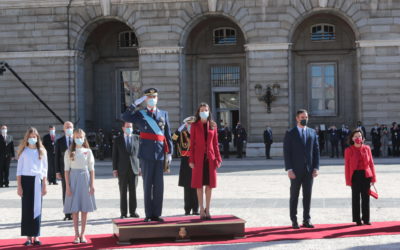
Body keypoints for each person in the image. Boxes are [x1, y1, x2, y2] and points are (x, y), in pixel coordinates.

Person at [122, 87, 173, 222]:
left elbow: (167, 134)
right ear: (145, 100)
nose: (152, 99)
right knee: (147, 185)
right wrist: (134, 104)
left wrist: (170, 153)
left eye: (154, 97)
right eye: (149, 98)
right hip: (146, 154)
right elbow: (125, 116)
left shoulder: (164, 114)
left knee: (159, 186)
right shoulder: (140, 114)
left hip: (160, 154)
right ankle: (149, 214)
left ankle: (157, 213)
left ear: (157, 98)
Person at [283, 109, 319, 229]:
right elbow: (287, 153)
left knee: (307, 195)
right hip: (295, 171)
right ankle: (294, 220)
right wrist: (289, 169)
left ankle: (306, 220)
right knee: (294, 196)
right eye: (302, 117)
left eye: (306, 117)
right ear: (297, 118)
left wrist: (316, 167)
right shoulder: (290, 133)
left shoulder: (312, 132)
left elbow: (316, 152)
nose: (305, 119)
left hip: (309, 171)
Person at [189, 103, 222, 220]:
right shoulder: (194, 125)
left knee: (209, 186)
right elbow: (191, 144)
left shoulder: (213, 125)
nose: (204, 112)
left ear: (209, 112)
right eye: (202, 110)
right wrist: (191, 159)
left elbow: (215, 144)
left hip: (210, 160)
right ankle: (201, 209)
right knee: (199, 185)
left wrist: (218, 158)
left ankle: (208, 209)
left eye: (206, 110)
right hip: (198, 160)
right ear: (198, 112)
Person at [63, 129, 96, 244]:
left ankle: (83, 234)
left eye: (81, 136)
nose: (79, 139)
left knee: (84, 209)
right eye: (77, 136)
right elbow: (66, 170)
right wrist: (67, 186)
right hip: (73, 179)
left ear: (84, 137)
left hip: (85, 179)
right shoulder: (68, 152)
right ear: (73, 137)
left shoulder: (88, 151)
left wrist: (92, 184)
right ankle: (76, 234)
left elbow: (92, 169)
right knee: (75, 209)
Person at [16, 127, 48, 246]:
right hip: (26, 181)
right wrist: (19, 186)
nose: (32, 139)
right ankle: (28, 237)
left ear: (37, 137)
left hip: (37, 181)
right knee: (27, 209)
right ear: (27, 138)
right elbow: (19, 171)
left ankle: (36, 235)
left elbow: (45, 170)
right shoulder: (23, 152)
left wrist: (44, 185)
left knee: (37, 208)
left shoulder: (42, 151)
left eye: (34, 137)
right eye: (30, 137)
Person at [345, 129, 377, 226]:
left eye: (359, 136)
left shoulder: (367, 148)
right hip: (355, 176)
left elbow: (371, 163)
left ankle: (366, 219)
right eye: (355, 136)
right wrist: (348, 180)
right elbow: (347, 166)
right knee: (355, 198)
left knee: (365, 198)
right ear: (352, 138)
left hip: (366, 175)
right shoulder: (348, 150)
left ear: (362, 138)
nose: (357, 138)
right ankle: (357, 219)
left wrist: (373, 178)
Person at [112, 122, 140, 219]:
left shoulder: (137, 138)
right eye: (127, 127)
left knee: (133, 191)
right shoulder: (118, 139)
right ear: (123, 128)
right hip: (122, 169)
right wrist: (114, 169)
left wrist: (140, 167)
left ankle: (133, 212)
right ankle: (123, 213)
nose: (129, 128)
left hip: (134, 169)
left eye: (131, 127)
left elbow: (139, 154)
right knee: (123, 192)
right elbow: (115, 155)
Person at [172, 116, 199, 215]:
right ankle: (187, 209)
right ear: (186, 125)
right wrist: (179, 130)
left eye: (193, 124)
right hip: (185, 163)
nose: (191, 126)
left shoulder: (198, 134)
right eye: (189, 124)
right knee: (187, 187)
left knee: (196, 186)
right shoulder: (182, 134)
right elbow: (173, 139)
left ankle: (196, 209)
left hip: (196, 163)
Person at [55, 121, 74, 221]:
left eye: (70, 127)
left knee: (75, 191)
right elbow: (57, 157)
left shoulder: (77, 140)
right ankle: (67, 213)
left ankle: (74, 212)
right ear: (63, 129)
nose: (68, 128)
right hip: (64, 171)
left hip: (76, 170)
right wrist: (57, 171)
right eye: (67, 127)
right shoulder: (59, 141)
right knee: (66, 190)